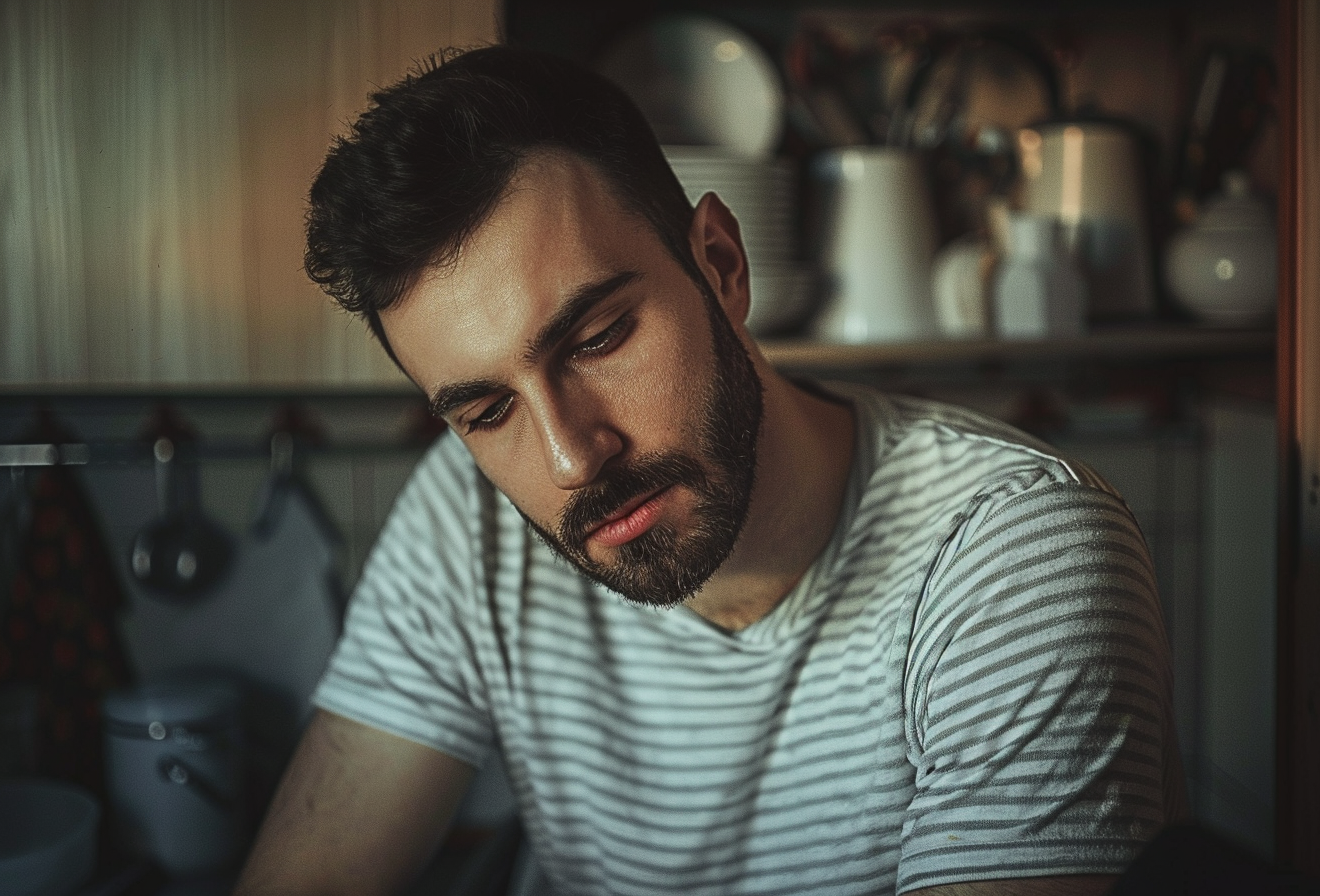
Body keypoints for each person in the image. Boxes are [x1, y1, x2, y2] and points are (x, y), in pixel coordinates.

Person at [234, 44, 1185, 896]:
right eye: (488, 411)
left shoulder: (1016, 552)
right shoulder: (464, 518)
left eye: (600, 338)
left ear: (721, 266)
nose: (570, 458)